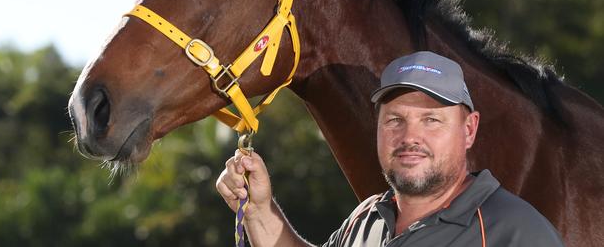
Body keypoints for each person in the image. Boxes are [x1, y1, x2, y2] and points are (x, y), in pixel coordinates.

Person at [216, 51, 565, 246]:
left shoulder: (516, 232)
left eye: (431, 120)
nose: (410, 137)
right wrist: (258, 210)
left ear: (469, 129)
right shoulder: (366, 219)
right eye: (395, 120)